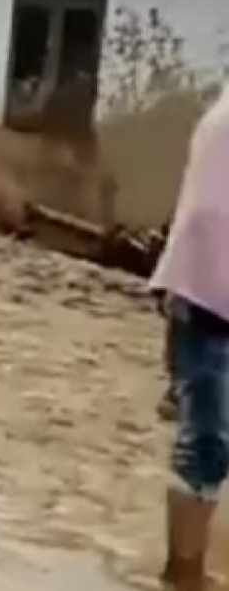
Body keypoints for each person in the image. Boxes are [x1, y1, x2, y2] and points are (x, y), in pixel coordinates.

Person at [151, 89, 229, 590]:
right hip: (211, 299)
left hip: (199, 292)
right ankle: (184, 574)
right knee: (206, 442)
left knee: (206, 437)